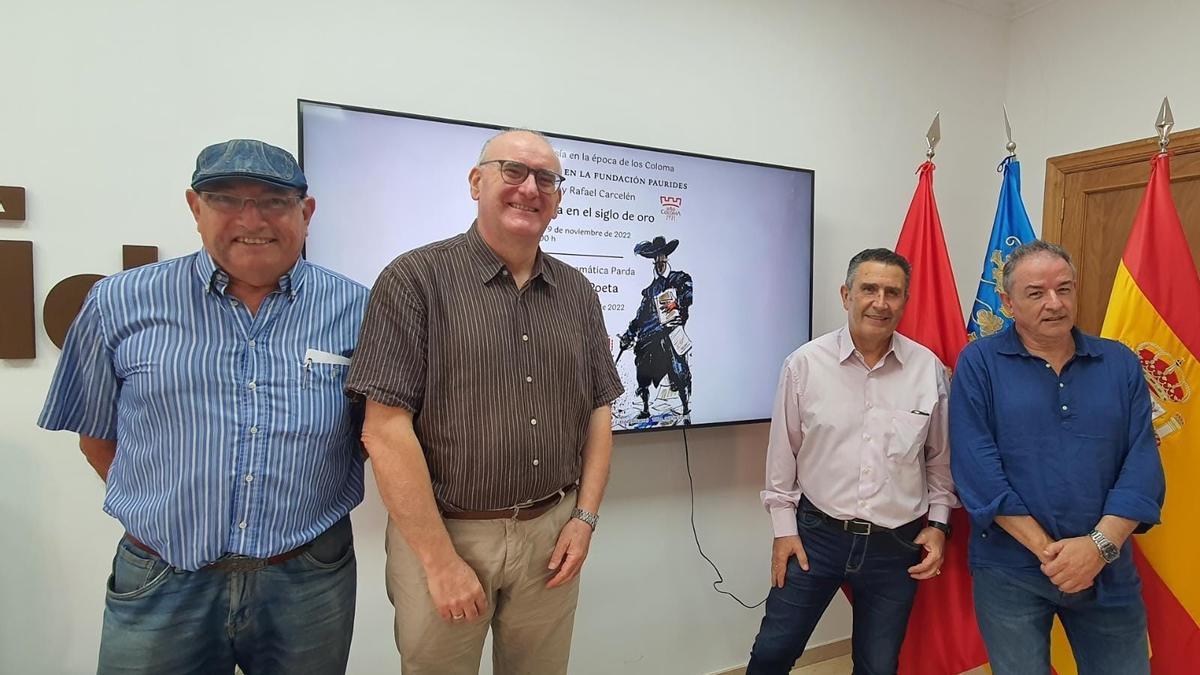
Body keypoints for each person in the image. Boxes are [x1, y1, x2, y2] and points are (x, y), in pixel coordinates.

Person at [37, 139, 368, 674]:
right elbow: (95, 437)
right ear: (195, 208)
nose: (251, 218)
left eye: (273, 201)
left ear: (305, 213)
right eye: (226, 199)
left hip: (307, 577)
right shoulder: (118, 303)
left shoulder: (357, 309)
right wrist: (170, 513)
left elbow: (370, 435)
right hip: (161, 577)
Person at [345, 129, 623, 675]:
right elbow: (383, 430)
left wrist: (584, 518)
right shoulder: (413, 280)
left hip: (552, 534)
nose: (530, 189)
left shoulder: (577, 292)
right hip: (446, 535)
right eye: (512, 171)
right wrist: (439, 559)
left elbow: (598, 410)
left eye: (546, 178)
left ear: (558, 198)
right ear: (477, 182)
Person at [949, 240, 1165, 675]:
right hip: (1009, 571)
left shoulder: (1119, 363)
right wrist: (1057, 556)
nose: (1055, 303)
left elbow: (1142, 463)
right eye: (1036, 293)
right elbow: (978, 472)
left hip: (1107, 569)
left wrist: (1096, 550)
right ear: (1007, 302)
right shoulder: (979, 363)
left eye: (1064, 289)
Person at [748, 248, 957, 674]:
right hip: (814, 537)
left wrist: (937, 526)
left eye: (893, 293)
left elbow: (939, 461)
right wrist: (783, 530)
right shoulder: (805, 365)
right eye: (869, 289)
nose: (880, 302)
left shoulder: (928, 370)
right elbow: (782, 457)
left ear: (905, 301)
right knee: (772, 653)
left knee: (878, 666)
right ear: (846, 295)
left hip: (896, 546)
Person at [618, 235, 694, 421]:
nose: (660, 262)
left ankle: (685, 408)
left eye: (663, 258)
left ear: (667, 259)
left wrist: (677, 304)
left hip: (669, 334)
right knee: (642, 373)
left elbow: (687, 297)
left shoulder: (679, 279)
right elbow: (640, 316)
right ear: (654, 262)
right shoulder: (650, 290)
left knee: (678, 369)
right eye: (657, 259)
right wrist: (628, 335)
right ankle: (645, 408)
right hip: (648, 338)